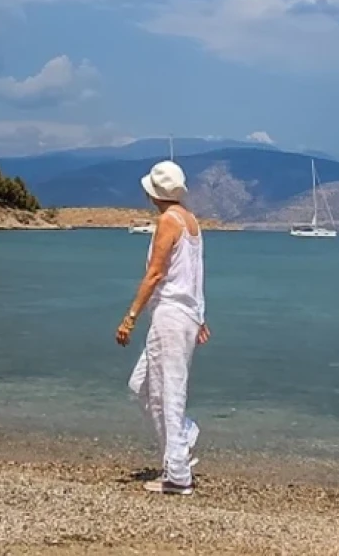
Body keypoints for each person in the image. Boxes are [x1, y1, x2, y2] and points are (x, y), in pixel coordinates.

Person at [116, 160, 210, 495]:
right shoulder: (190, 220)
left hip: (170, 317)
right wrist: (199, 316)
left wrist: (130, 317)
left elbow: (155, 274)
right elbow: (193, 274)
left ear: (153, 193)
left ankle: (178, 475)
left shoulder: (168, 221)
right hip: (183, 315)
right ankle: (182, 439)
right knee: (140, 385)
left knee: (170, 392)